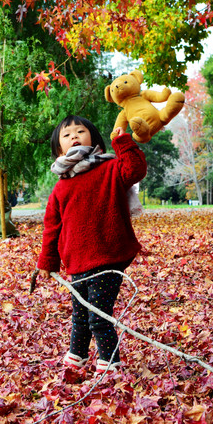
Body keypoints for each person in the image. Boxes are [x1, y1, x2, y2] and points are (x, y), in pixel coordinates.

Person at [36, 114, 147, 373]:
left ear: (93, 139)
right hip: (77, 261)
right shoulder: (61, 188)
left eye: (80, 131)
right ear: (58, 149)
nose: (74, 136)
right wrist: (48, 260)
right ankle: (77, 355)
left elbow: (135, 169)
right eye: (67, 135)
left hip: (108, 255)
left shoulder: (110, 168)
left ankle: (109, 363)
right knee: (80, 314)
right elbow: (52, 228)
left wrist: (122, 141)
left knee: (98, 315)